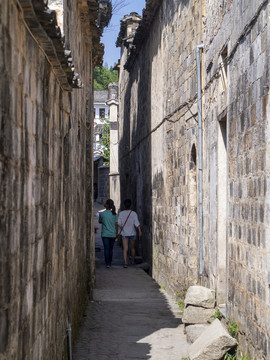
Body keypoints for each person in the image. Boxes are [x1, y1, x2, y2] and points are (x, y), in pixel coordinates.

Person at [117, 199, 142, 268]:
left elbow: (119, 223)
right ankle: (133, 261)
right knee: (132, 248)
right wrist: (139, 231)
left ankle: (125, 263)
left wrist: (121, 228)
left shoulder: (121, 213)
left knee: (125, 248)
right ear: (130, 205)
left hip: (124, 233)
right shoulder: (134, 213)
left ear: (124, 205)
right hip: (132, 233)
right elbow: (136, 223)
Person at [99, 199, 118, 268]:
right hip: (112, 234)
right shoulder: (114, 214)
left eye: (105, 203)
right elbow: (116, 225)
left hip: (105, 234)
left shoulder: (102, 214)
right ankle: (110, 261)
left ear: (107, 205)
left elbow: (100, 221)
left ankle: (107, 263)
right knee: (111, 249)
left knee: (106, 248)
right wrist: (116, 233)